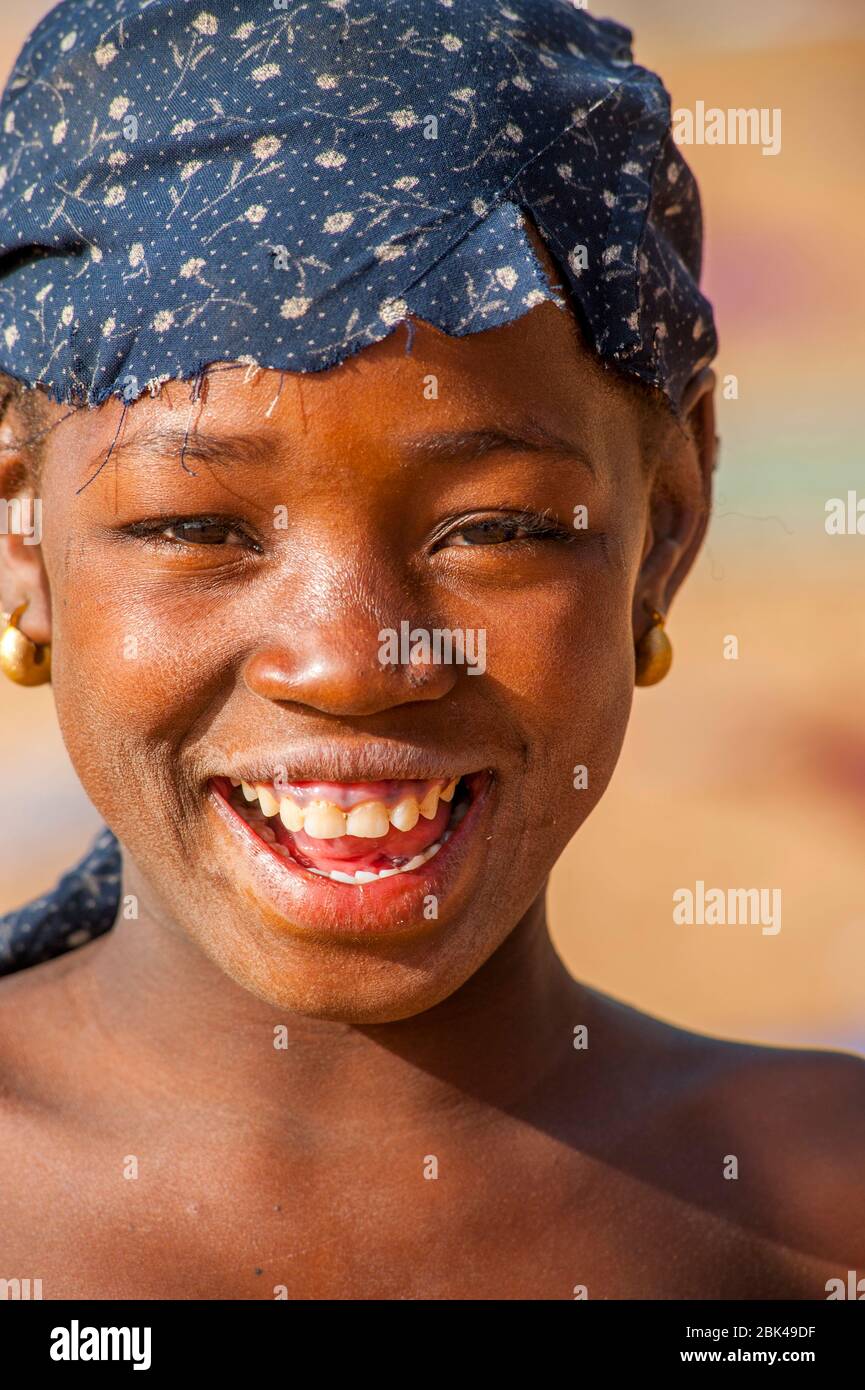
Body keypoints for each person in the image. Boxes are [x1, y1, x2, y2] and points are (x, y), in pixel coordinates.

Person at [0, 0, 861, 1300]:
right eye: (194, 525)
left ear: (666, 525)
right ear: (23, 539)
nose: (351, 661)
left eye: (496, 527)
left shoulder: (817, 1210)